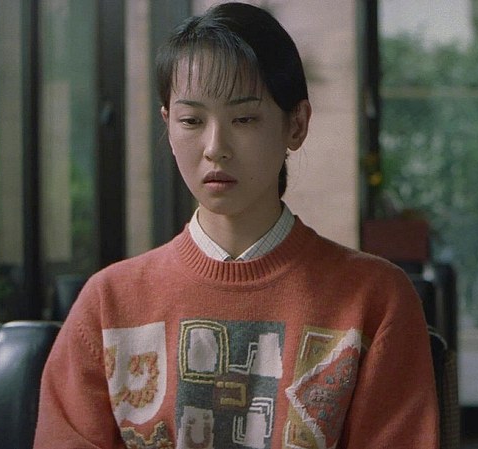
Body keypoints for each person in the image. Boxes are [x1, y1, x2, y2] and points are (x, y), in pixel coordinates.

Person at [33, 3, 439, 448]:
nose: (215, 147)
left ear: (296, 124)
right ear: (168, 126)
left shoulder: (374, 300)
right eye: (192, 120)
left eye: (244, 118)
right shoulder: (109, 304)